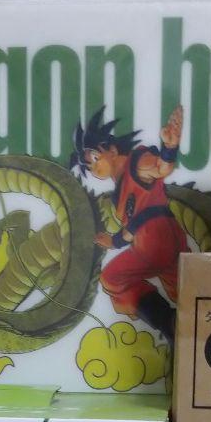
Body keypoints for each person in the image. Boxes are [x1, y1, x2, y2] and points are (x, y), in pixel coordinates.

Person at [70, 105, 187, 341]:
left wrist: (170, 147)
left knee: (112, 278)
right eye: (88, 166)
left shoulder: (136, 162)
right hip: (171, 237)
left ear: (112, 149)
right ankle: (186, 335)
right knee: (186, 294)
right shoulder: (121, 184)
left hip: (153, 240)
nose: (94, 167)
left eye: (94, 157)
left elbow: (160, 168)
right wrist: (114, 241)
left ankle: (169, 323)